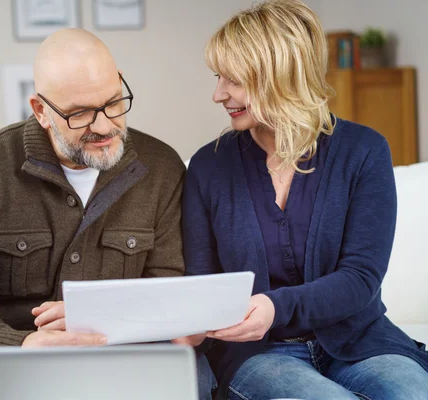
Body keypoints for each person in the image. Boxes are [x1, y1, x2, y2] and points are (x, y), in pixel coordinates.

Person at [0, 28, 187, 399]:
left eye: (113, 102)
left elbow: (170, 286)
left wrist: (104, 318)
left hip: (122, 344)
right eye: (79, 114)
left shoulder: (163, 168)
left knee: (196, 375)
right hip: (6, 349)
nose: (105, 125)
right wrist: (17, 344)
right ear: (41, 111)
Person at [177, 1, 428, 399]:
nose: (218, 94)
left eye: (233, 80)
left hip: (361, 341)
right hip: (259, 354)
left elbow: (361, 278)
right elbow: (201, 284)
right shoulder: (208, 167)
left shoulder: (363, 151)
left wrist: (276, 307)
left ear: (281, 76)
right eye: (218, 77)